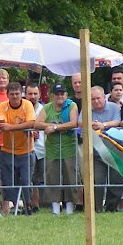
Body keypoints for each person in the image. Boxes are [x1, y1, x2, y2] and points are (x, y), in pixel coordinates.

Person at [36, 83, 81, 213]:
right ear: (53, 96)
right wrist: (52, 125)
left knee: (70, 177)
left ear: (66, 95)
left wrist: (56, 127)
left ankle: (70, 207)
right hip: (52, 148)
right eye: (57, 94)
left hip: (69, 147)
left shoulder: (71, 105)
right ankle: (55, 207)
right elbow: (37, 123)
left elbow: (73, 123)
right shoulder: (47, 108)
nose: (60, 96)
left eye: (62, 94)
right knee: (52, 177)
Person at [0, 81, 36, 215]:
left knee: (26, 180)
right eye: (11, 94)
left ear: (21, 94)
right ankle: (12, 207)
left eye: (17, 94)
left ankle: (28, 206)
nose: (15, 96)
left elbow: (31, 122)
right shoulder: (3, 106)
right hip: (8, 149)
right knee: (8, 181)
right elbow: (1, 124)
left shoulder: (27, 104)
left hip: (26, 150)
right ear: (7, 95)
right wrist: (22, 126)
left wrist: (12, 127)